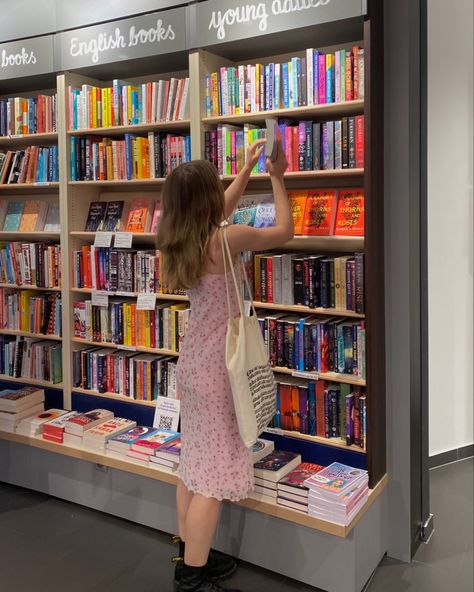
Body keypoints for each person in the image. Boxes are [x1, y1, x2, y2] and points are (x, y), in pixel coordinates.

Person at [156, 137, 293, 592]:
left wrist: (248, 167)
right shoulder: (227, 238)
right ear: (208, 200)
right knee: (213, 481)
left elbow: (217, 206)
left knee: (194, 465)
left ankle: (191, 553)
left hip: (193, 363)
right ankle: (192, 575)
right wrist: (276, 175)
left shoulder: (177, 239)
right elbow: (284, 232)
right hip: (220, 369)